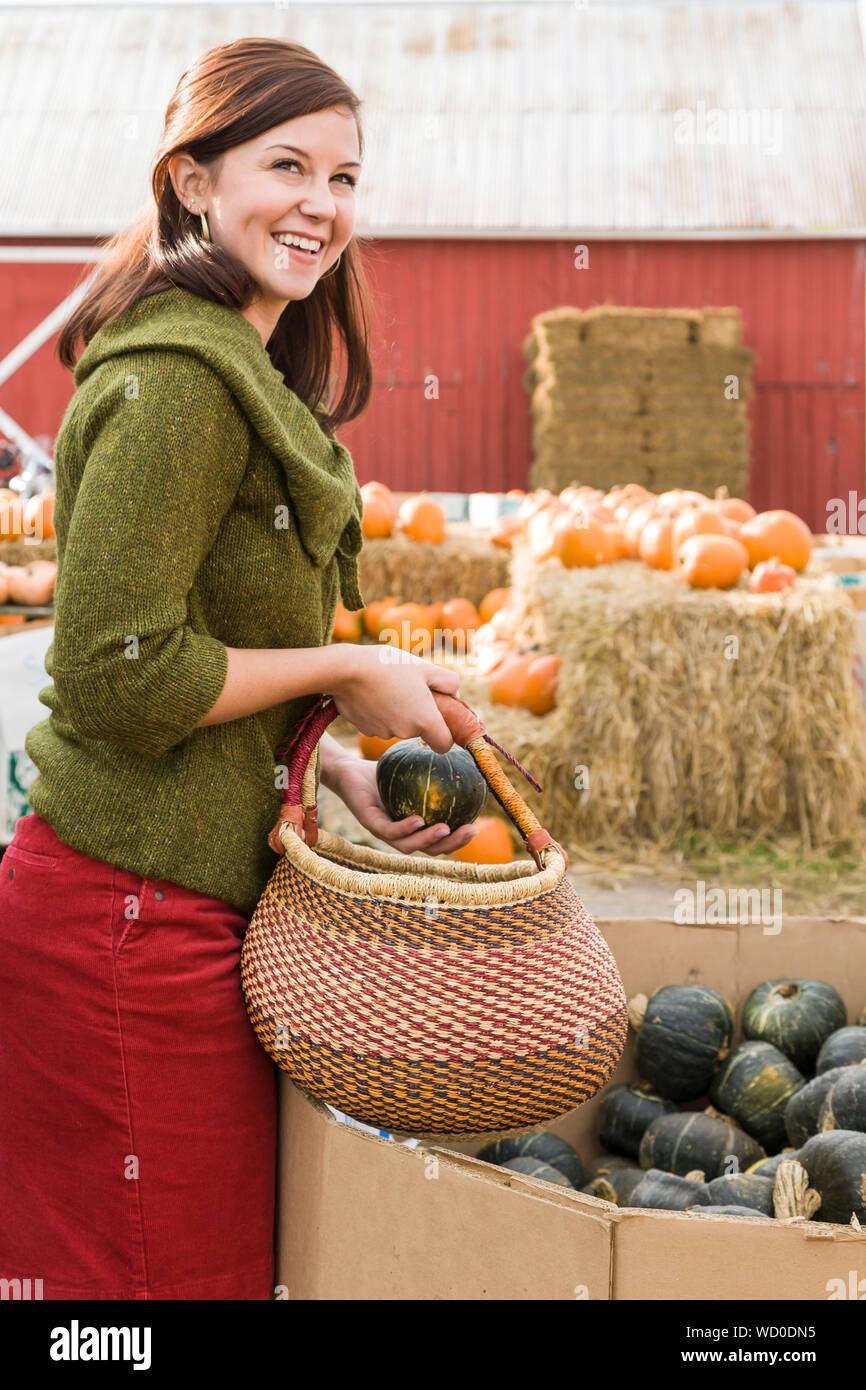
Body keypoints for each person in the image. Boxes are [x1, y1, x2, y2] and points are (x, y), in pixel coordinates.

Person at [0, 36, 478, 1301]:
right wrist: (349, 666)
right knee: (149, 1290)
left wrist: (329, 774)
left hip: (184, 907)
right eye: (287, 165)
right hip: (122, 920)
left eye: (345, 177)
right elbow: (117, 673)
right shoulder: (178, 383)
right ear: (194, 180)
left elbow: (202, 650)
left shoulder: (238, 369)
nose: (321, 204)